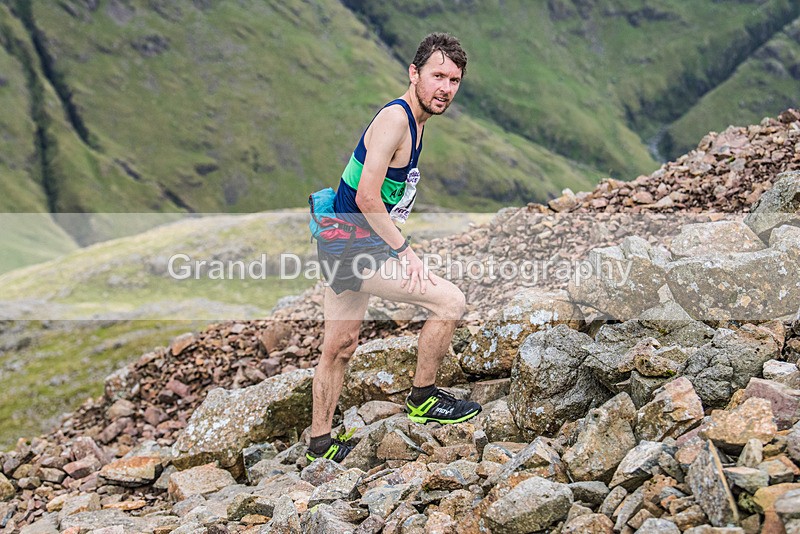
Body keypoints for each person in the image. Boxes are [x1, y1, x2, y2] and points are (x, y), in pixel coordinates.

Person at [306, 33, 482, 462]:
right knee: (449, 302)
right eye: (437, 76)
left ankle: (319, 445)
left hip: (343, 241)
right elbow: (368, 196)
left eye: (454, 80)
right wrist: (405, 251)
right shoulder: (396, 119)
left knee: (341, 344)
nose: (445, 88)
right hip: (353, 246)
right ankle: (423, 399)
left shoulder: (417, 123)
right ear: (414, 73)